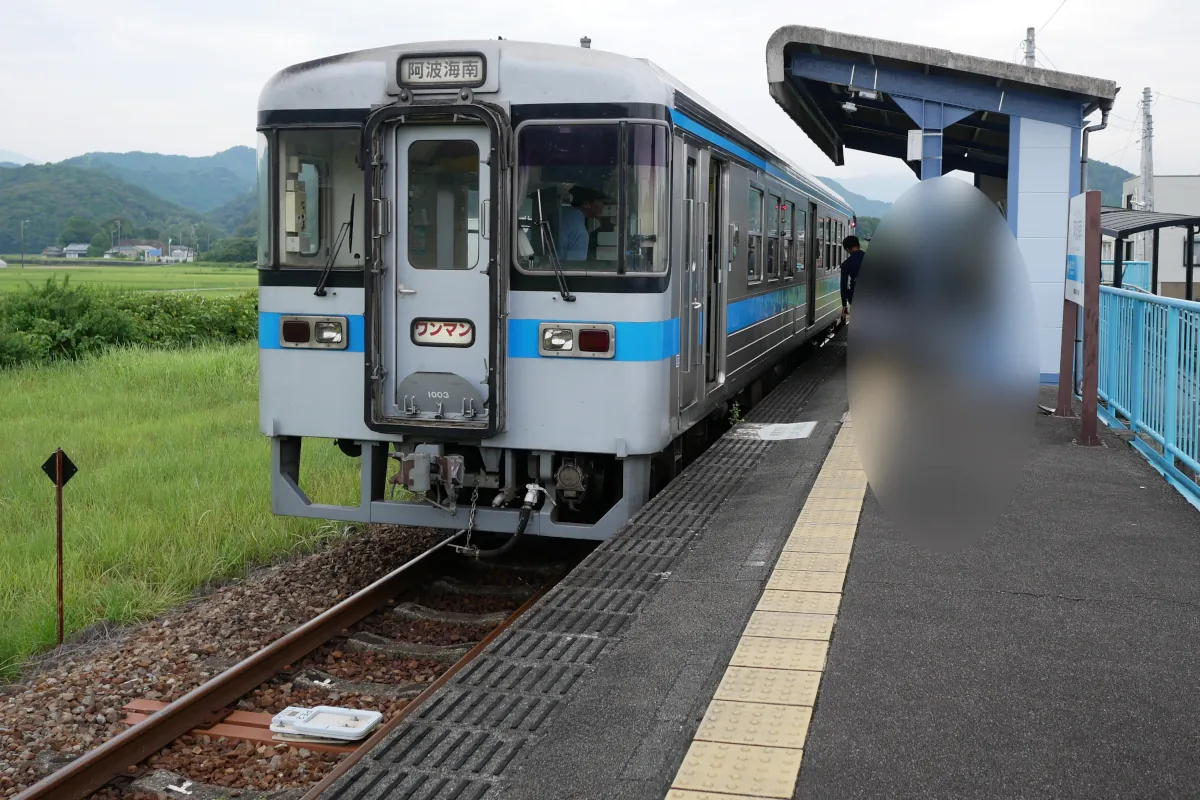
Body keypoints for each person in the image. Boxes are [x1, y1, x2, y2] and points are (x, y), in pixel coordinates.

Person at [558, 186, 608, 261]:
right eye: (602, 201)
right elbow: (574, 269)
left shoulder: (559, 214)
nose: (603, 206)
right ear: (586, 204)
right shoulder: (580, 232)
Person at [840, 235, 864, 320]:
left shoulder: (846, 264)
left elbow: (844, 285)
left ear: (847, 249)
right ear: (859, 245)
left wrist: (844, 304)